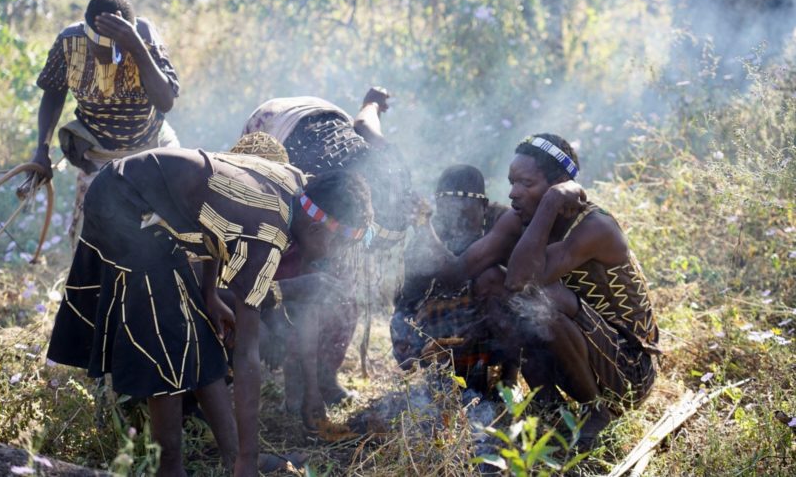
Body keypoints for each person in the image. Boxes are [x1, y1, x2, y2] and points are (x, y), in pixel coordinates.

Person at [46, 147, 373, 476]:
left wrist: (208, 295)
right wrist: (250, 454)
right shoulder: (266, 232)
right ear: (319, 229)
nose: (338, 257)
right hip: (124, 205)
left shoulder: (298, 189)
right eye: (342, 246)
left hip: (151, 209)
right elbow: (246, 354)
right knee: (169, 342)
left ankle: (234, 457)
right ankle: (171, 467)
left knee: (201, 335)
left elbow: (216, 220)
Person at [409, 134, 660, 445]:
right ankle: (549, 407)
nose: (513, 193)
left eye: (526, 184)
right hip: (581, 360)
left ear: (559, 185)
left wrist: (551, 204)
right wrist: (423, 223)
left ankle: (596, 412)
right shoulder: (520, 220)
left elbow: (520, 281)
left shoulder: (594, 227)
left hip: (630, 371)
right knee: (489, 280)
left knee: (542, 297)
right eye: (512, 182)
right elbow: (459, 273)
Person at [242, 88, 413, 402]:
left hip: (325, 204)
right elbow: (244, 285)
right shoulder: (273, 202)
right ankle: (280, 360)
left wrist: (373, 103)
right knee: (293, 270)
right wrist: (273, 319)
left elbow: (364, 123)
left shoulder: (391, 173)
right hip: (282, 126)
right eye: (347, 239)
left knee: (336, 283)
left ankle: (323, 375)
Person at [23, 0, 180, 243]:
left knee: (168, 238)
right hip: (98, 156)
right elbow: (53, 92)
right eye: (97, 45)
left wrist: (137, 49)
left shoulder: (145, 38)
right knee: (94, 243)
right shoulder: (70, 41)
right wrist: (42, 148)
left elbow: (165, 101)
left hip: (152, 148)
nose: (103, 55)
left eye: (113, 48)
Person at [391, 165, 508, 392]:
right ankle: (448, 384)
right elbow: (407, 302)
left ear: (483, 207)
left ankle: (505, 380)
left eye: (465, 215)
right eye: (449, 214)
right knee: (448, 304)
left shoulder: (499, 225)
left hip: (493, 332)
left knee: (497, 284)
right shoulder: (425, 240)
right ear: (438, 208)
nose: (457, 225)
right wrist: (404, 340)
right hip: (437, 332)